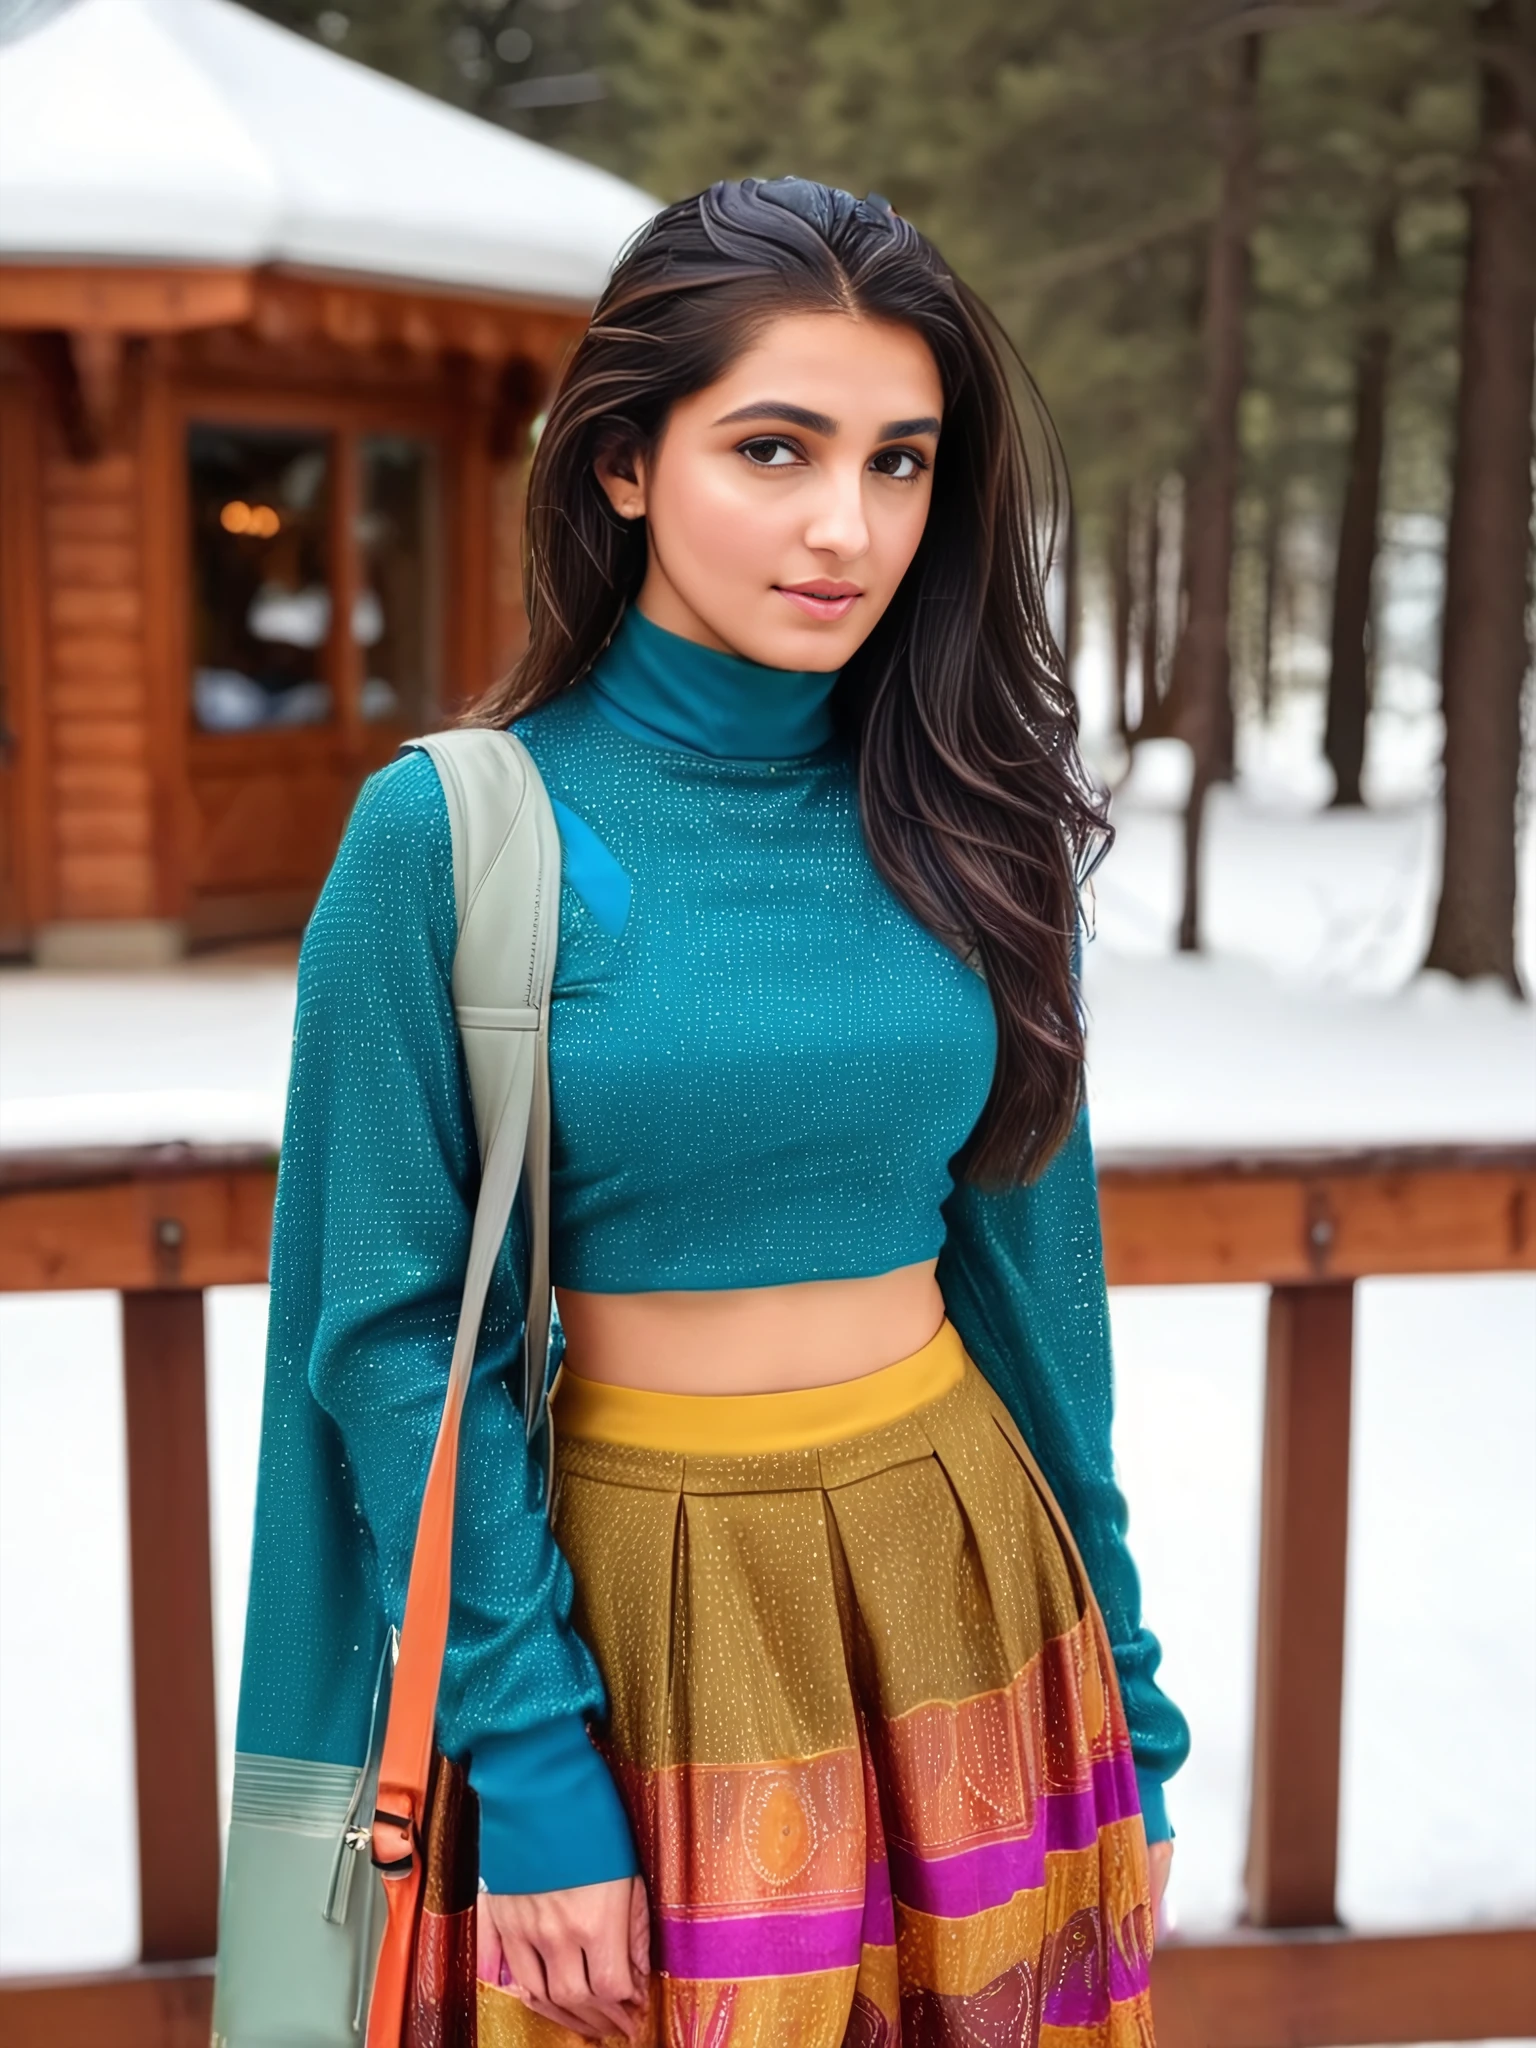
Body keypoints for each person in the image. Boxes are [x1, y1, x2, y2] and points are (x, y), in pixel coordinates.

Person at [235, 176, 1189, 2046]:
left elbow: (1033, 1288)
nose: (849, 527)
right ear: (620, 465)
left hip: (966, 1590)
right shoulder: (447, 839)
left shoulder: (973, 828)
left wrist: (1133, 1699)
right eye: (776, 447)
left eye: (901, 462)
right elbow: (386, 1336)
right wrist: (534, 1757)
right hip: (627, 1619)